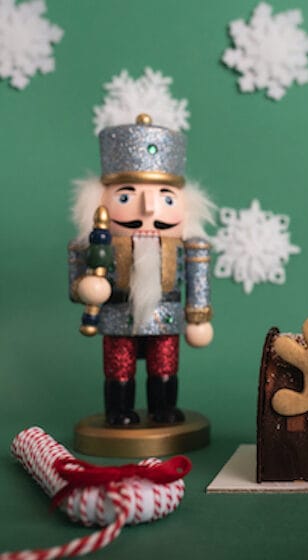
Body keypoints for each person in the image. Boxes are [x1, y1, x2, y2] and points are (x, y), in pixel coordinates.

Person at [69, 114, 214, 426]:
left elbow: (197, 280)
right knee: (118, 366)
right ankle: (118, 410)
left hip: (166, 316)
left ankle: (164, 408)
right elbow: (77, 283)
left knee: (165, 364)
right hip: (117, 315)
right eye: (126, 196)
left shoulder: (188, 246)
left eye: (165, 197)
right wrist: (87, 288)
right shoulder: (94, 245)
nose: (148, 208)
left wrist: (198, 316)